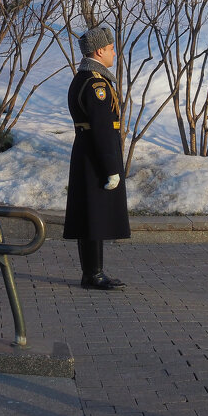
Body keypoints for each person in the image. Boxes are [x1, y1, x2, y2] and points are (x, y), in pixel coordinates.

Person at [63, 26, 130, 290]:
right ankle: (93, 274)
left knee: (91, 214)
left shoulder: (87, 78)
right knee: (93, 215)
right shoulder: (96, 83)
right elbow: (102, 128)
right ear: (100, 50)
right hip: (94, 155)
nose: (114, 52)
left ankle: (93, 272)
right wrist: (111, 166)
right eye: (111, 48)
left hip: (88, 152)